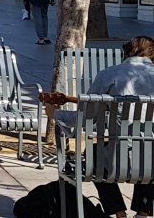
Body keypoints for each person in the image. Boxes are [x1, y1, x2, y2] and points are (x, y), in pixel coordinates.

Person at [51, 35, 154, 218]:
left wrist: (56, 114)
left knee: (94, 154)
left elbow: (86, 116)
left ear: (126, 52)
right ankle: (143, 211)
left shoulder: (108, 75)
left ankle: (117, 210)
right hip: (151, 164)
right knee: (148, 150)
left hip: (116, 162)